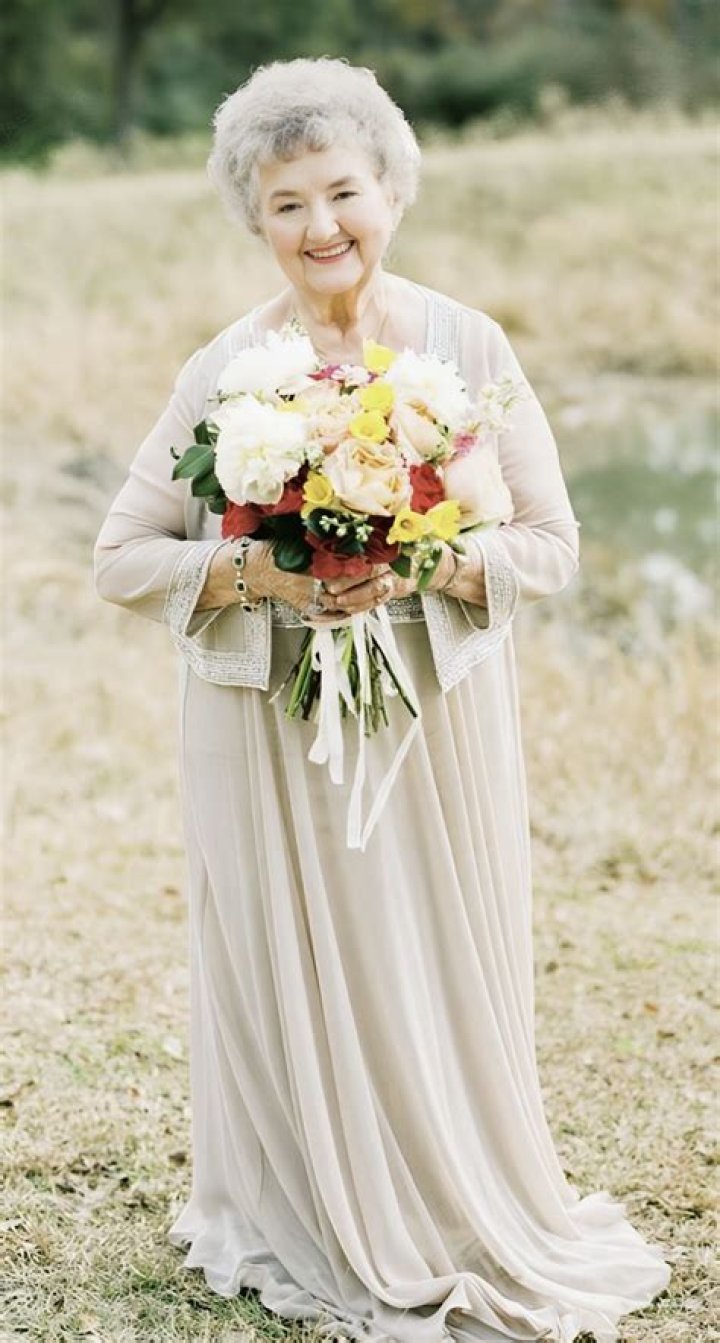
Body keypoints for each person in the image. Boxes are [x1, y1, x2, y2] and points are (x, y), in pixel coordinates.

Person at [94, 57, 671, 1343]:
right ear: (255, 218)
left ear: (393, 191)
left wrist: (423, 554)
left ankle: (453, 1195)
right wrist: (261, 569)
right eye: (286, 202)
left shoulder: (471, 348)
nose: (320, 227)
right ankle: (303, 1198)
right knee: (301, 956)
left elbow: (555, 545)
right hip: (268, 729)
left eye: (342, 191)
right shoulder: (225, 369)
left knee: (427, 957)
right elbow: (120, 554)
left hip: (433, 724)